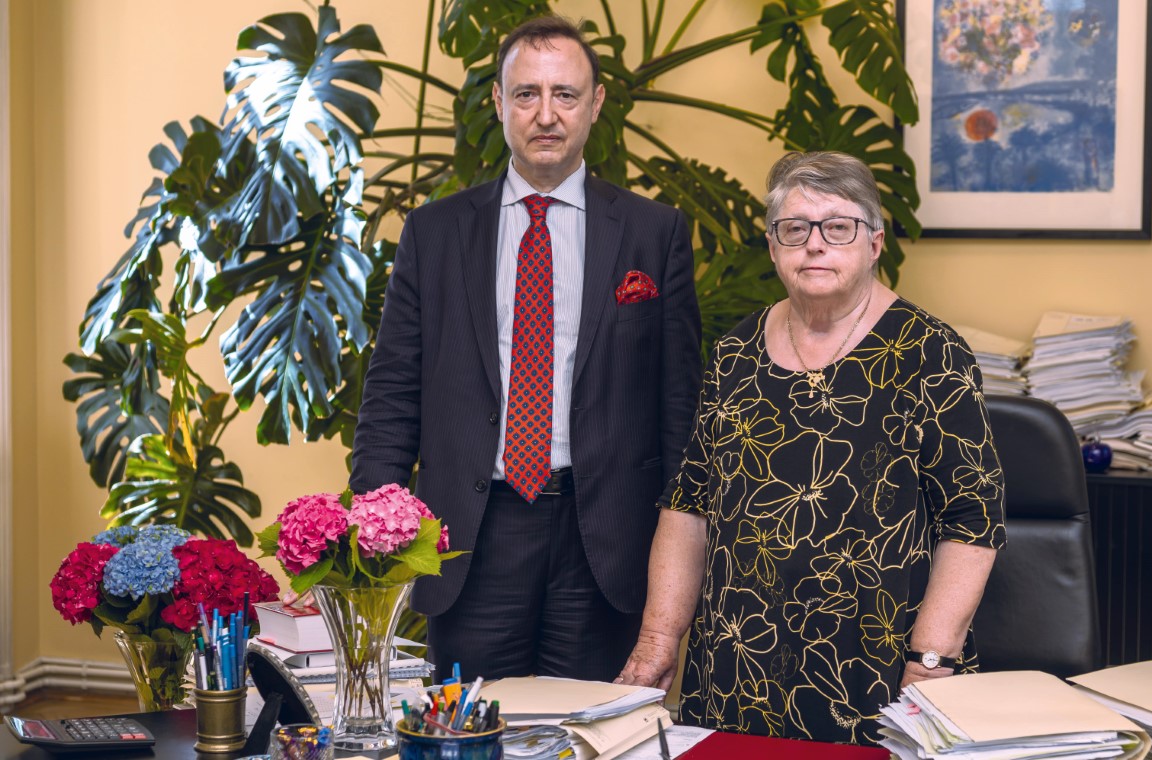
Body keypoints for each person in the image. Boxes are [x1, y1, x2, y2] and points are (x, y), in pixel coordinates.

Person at [350, 15, 701, 681]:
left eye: (565, 95)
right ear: (499, 103)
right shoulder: (435, 232)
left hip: (605, 540)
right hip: (471, 538)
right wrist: (376, 537)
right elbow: (392, 397)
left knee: (594, 735)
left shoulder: (654, 234)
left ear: (595, 104)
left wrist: (675, 558)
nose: (546, 115)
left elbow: (678, 410)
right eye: (527, 94)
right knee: (470, 734)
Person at [616, 151, 1006, 743]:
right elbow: (689, 505)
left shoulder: (933, 353)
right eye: (794, 229)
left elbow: (973, 520)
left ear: (874, 243)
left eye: (838, 227)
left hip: (878, 672)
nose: (814, 245)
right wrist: (658, 640)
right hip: (735, 670)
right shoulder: (734, 354)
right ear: (773, 247)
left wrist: (932, 660)